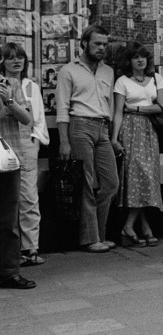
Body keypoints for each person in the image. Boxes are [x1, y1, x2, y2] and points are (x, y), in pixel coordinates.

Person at [55, 25, 119, 253]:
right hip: (79, 125)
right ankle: (90, 239)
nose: (102, 48)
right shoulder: (68, 71)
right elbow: (62, 107)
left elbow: (110, 104)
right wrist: (64, 141)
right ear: (84, 43)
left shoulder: (108, 71)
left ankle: (99, 234)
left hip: (102, 128)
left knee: (111, 183)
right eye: (97, 44)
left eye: (104, 44)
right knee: (86, 184)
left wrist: (112, 136)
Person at [111, 43, 163, 247]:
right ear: (129, 61)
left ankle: (131, 226)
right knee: (136, 177)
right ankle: (143, 228)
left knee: (148, 176)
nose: (140, 60)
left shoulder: (156, 79)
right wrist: (114, 138)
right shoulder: (122, 82)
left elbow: (160, 107)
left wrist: (134, 108)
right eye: (135, 57)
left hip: (149, 131)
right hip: (130, 131)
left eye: (143, 56)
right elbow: (118, 111)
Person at [1, 43, 48, 266]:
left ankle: (31, 248)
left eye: (19, 57)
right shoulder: (3, 85)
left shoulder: (29, 86)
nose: (15, 61)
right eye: (10, 58)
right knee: (9, 201)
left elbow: (35, 119)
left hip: (26, 145)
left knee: (29, 198)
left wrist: (36, 141)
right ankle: (12, 252)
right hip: (5, 147)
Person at [0, 50, 35, 289]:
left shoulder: (11, 83)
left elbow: (27, 119)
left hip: (7, 157)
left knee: (8, 218)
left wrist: (9, 101)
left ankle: (9, 271)